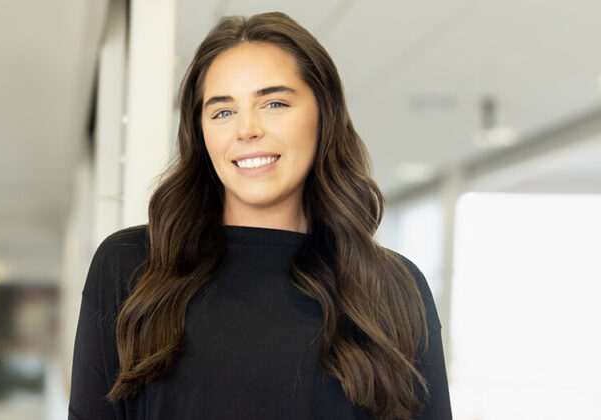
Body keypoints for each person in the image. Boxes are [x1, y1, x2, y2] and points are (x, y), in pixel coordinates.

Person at [68, 12, 451, 420]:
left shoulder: (393, 288)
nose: (246, 129)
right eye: (222, 112)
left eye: (274, 103)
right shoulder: (131, 266)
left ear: (324, 115)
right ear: (201, 133)